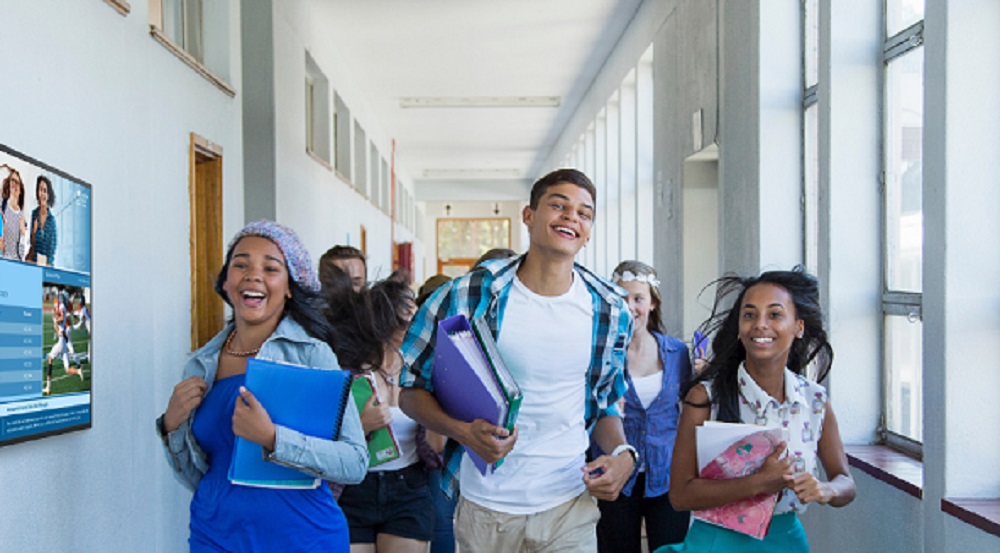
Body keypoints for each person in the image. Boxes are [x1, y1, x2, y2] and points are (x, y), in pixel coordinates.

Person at [399, 168, 637, 552]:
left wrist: (623, 454)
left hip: (569, 504)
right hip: (487, 506)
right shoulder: (470, 294)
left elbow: (606, 402)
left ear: (589, 230)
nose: (570, 218)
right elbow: (410, 391)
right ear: (528, 216)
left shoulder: (610, 309)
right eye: (558, 206)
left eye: (583, 213)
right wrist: (461, 432)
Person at [156, 220, 369, 552]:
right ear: (226, 282)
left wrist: (272, 438)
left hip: (303, 538)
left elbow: (354, 462)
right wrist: (171, 426)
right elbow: (195, 476)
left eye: (270, 268)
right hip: (215, 536)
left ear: (288, 286)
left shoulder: (313, 355)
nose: (252, 275)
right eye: (240, 264)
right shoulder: (200, 364)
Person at [659, 268, 856, 552]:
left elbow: (846, 482)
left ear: (798, 327)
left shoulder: (814, 401)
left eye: (775, 314)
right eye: (749, 315)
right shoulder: (706, 398)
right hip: (717, 542)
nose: (760, 324)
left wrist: (826, 490)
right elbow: (680, 495)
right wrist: (760, 482)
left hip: (786, 541)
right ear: (739, 327)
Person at [595, 261, 690, 552]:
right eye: (622, 298)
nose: (630, 307)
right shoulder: (601, 353)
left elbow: (691, 406)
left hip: (667, 474)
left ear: (652, 303)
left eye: (638, 298)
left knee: (670, 548)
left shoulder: (677, 353)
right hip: (616, 473)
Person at [336, 278, 437, 553]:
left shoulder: (424, 371)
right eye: (406, 316)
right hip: (355, 486)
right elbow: (324, 437)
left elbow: (436, 449)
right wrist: (362, 426)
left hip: (408, 487)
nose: (415, 324)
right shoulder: (349, 374)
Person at [43, 292, 83, 395]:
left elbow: (60, 318)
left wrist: (55, 320)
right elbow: (60, 317)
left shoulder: (62, 308)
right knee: (67, 369)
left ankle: (48, 387)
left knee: (50, 359)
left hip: (61, 341)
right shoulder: (61, 307)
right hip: (63, 342)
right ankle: (79, 371)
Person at [1, 164, 29, 261]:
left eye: (17, 182)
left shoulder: (22, 218)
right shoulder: (2, 206)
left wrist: (23, 233)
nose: (14, 183)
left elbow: (22, 255)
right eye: (12, 180)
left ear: (20, 190)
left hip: (15, 263)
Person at [30, 175, 57, 266]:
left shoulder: (52, 220)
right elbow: (32, 244)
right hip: (34, 264)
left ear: (48, 195)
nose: (42, 193)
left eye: (45, 191)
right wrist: (33, 233)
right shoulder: (34, 214)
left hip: (47, 267)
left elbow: (52, 250)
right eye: (40, 189)